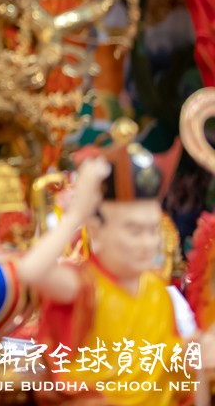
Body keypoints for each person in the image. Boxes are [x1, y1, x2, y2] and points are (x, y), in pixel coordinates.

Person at [36, 143, 215, 405]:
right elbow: (32, 272)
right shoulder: (86, 285)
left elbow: (175, 371)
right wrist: (76, 216)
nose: (147, 243)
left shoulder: (158, 292)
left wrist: (194, 356)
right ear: (96, 230)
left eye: (152, 230)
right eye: (134, 230)